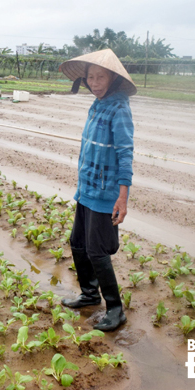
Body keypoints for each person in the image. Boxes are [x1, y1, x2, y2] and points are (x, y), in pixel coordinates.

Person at [58, 49, 136, 331]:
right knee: (77, 243)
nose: (94, 82)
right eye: (90, 77)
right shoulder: (96, 104)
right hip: (87, 187)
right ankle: (89, 294)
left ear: (112, 77)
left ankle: (115, 308)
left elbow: (126, 153)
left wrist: (122, 196)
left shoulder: (119, 107)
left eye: (100, 76)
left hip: (105, 192)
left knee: (97, 250)